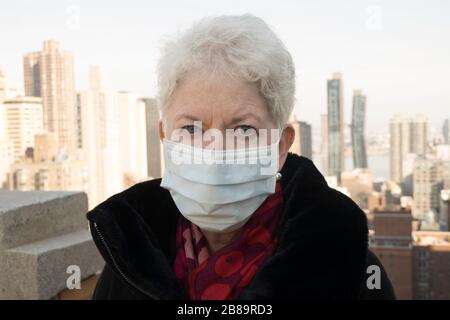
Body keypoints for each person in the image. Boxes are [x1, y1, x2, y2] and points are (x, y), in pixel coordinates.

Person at [87, 14, 395, 300]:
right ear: (164, 135)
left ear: (280, 146)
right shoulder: (128, 260)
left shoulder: (349, 271)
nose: (215, 151)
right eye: (191, 128)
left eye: (244, 130)